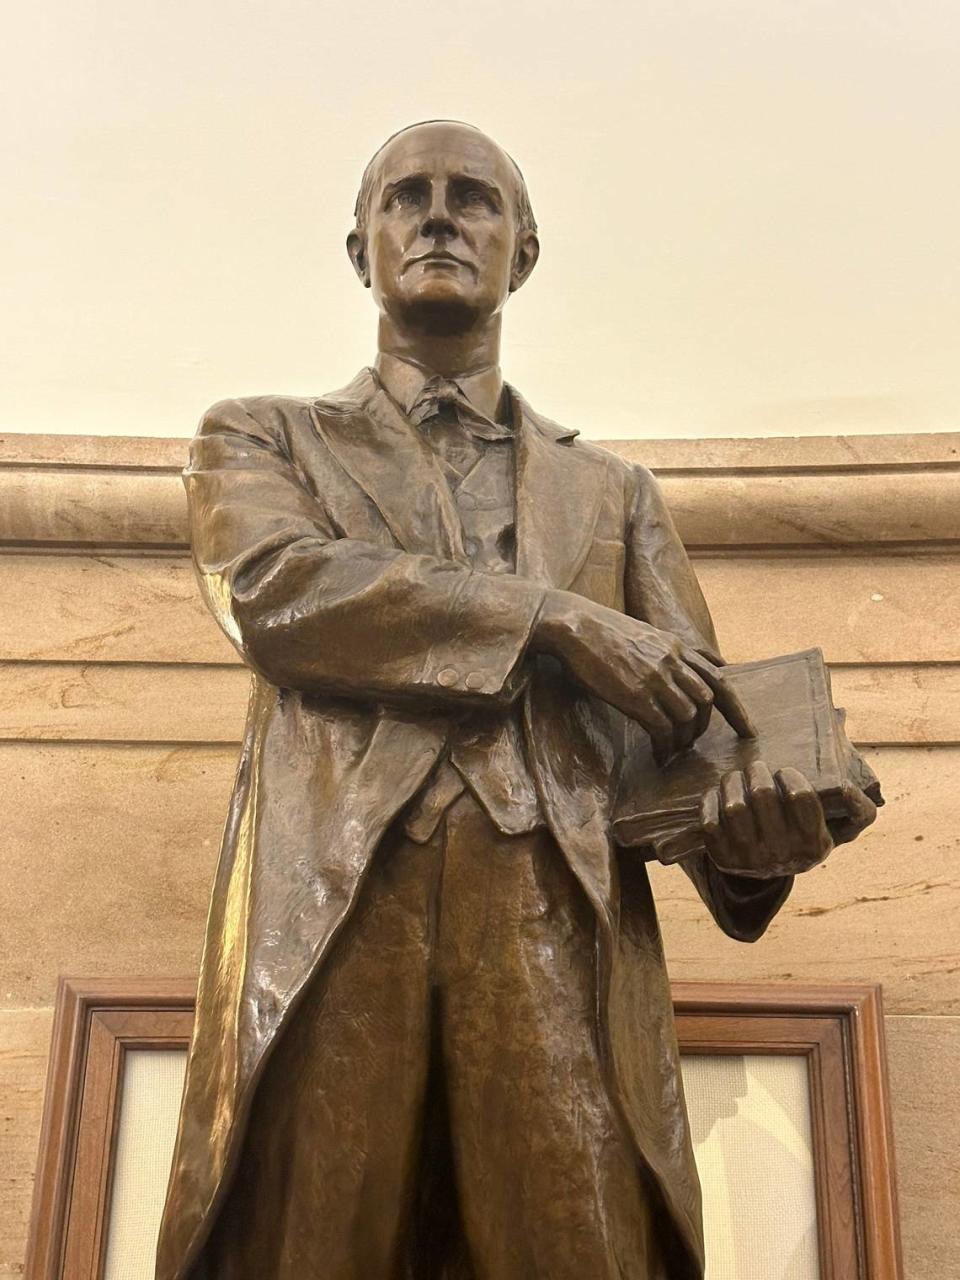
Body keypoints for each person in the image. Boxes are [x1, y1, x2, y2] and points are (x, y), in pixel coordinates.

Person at [156, 119, 877, 1280]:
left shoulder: (614, 493)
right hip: (336, 916)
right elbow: (274, 588)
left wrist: (763, 833)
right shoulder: (260, 433)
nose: (440, 215)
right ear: (362, 250)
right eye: (408, 196)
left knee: (577, 1247)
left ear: (522, 253)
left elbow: (694, 740)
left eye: (474, 198)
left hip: (554, 921)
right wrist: (552, 617)